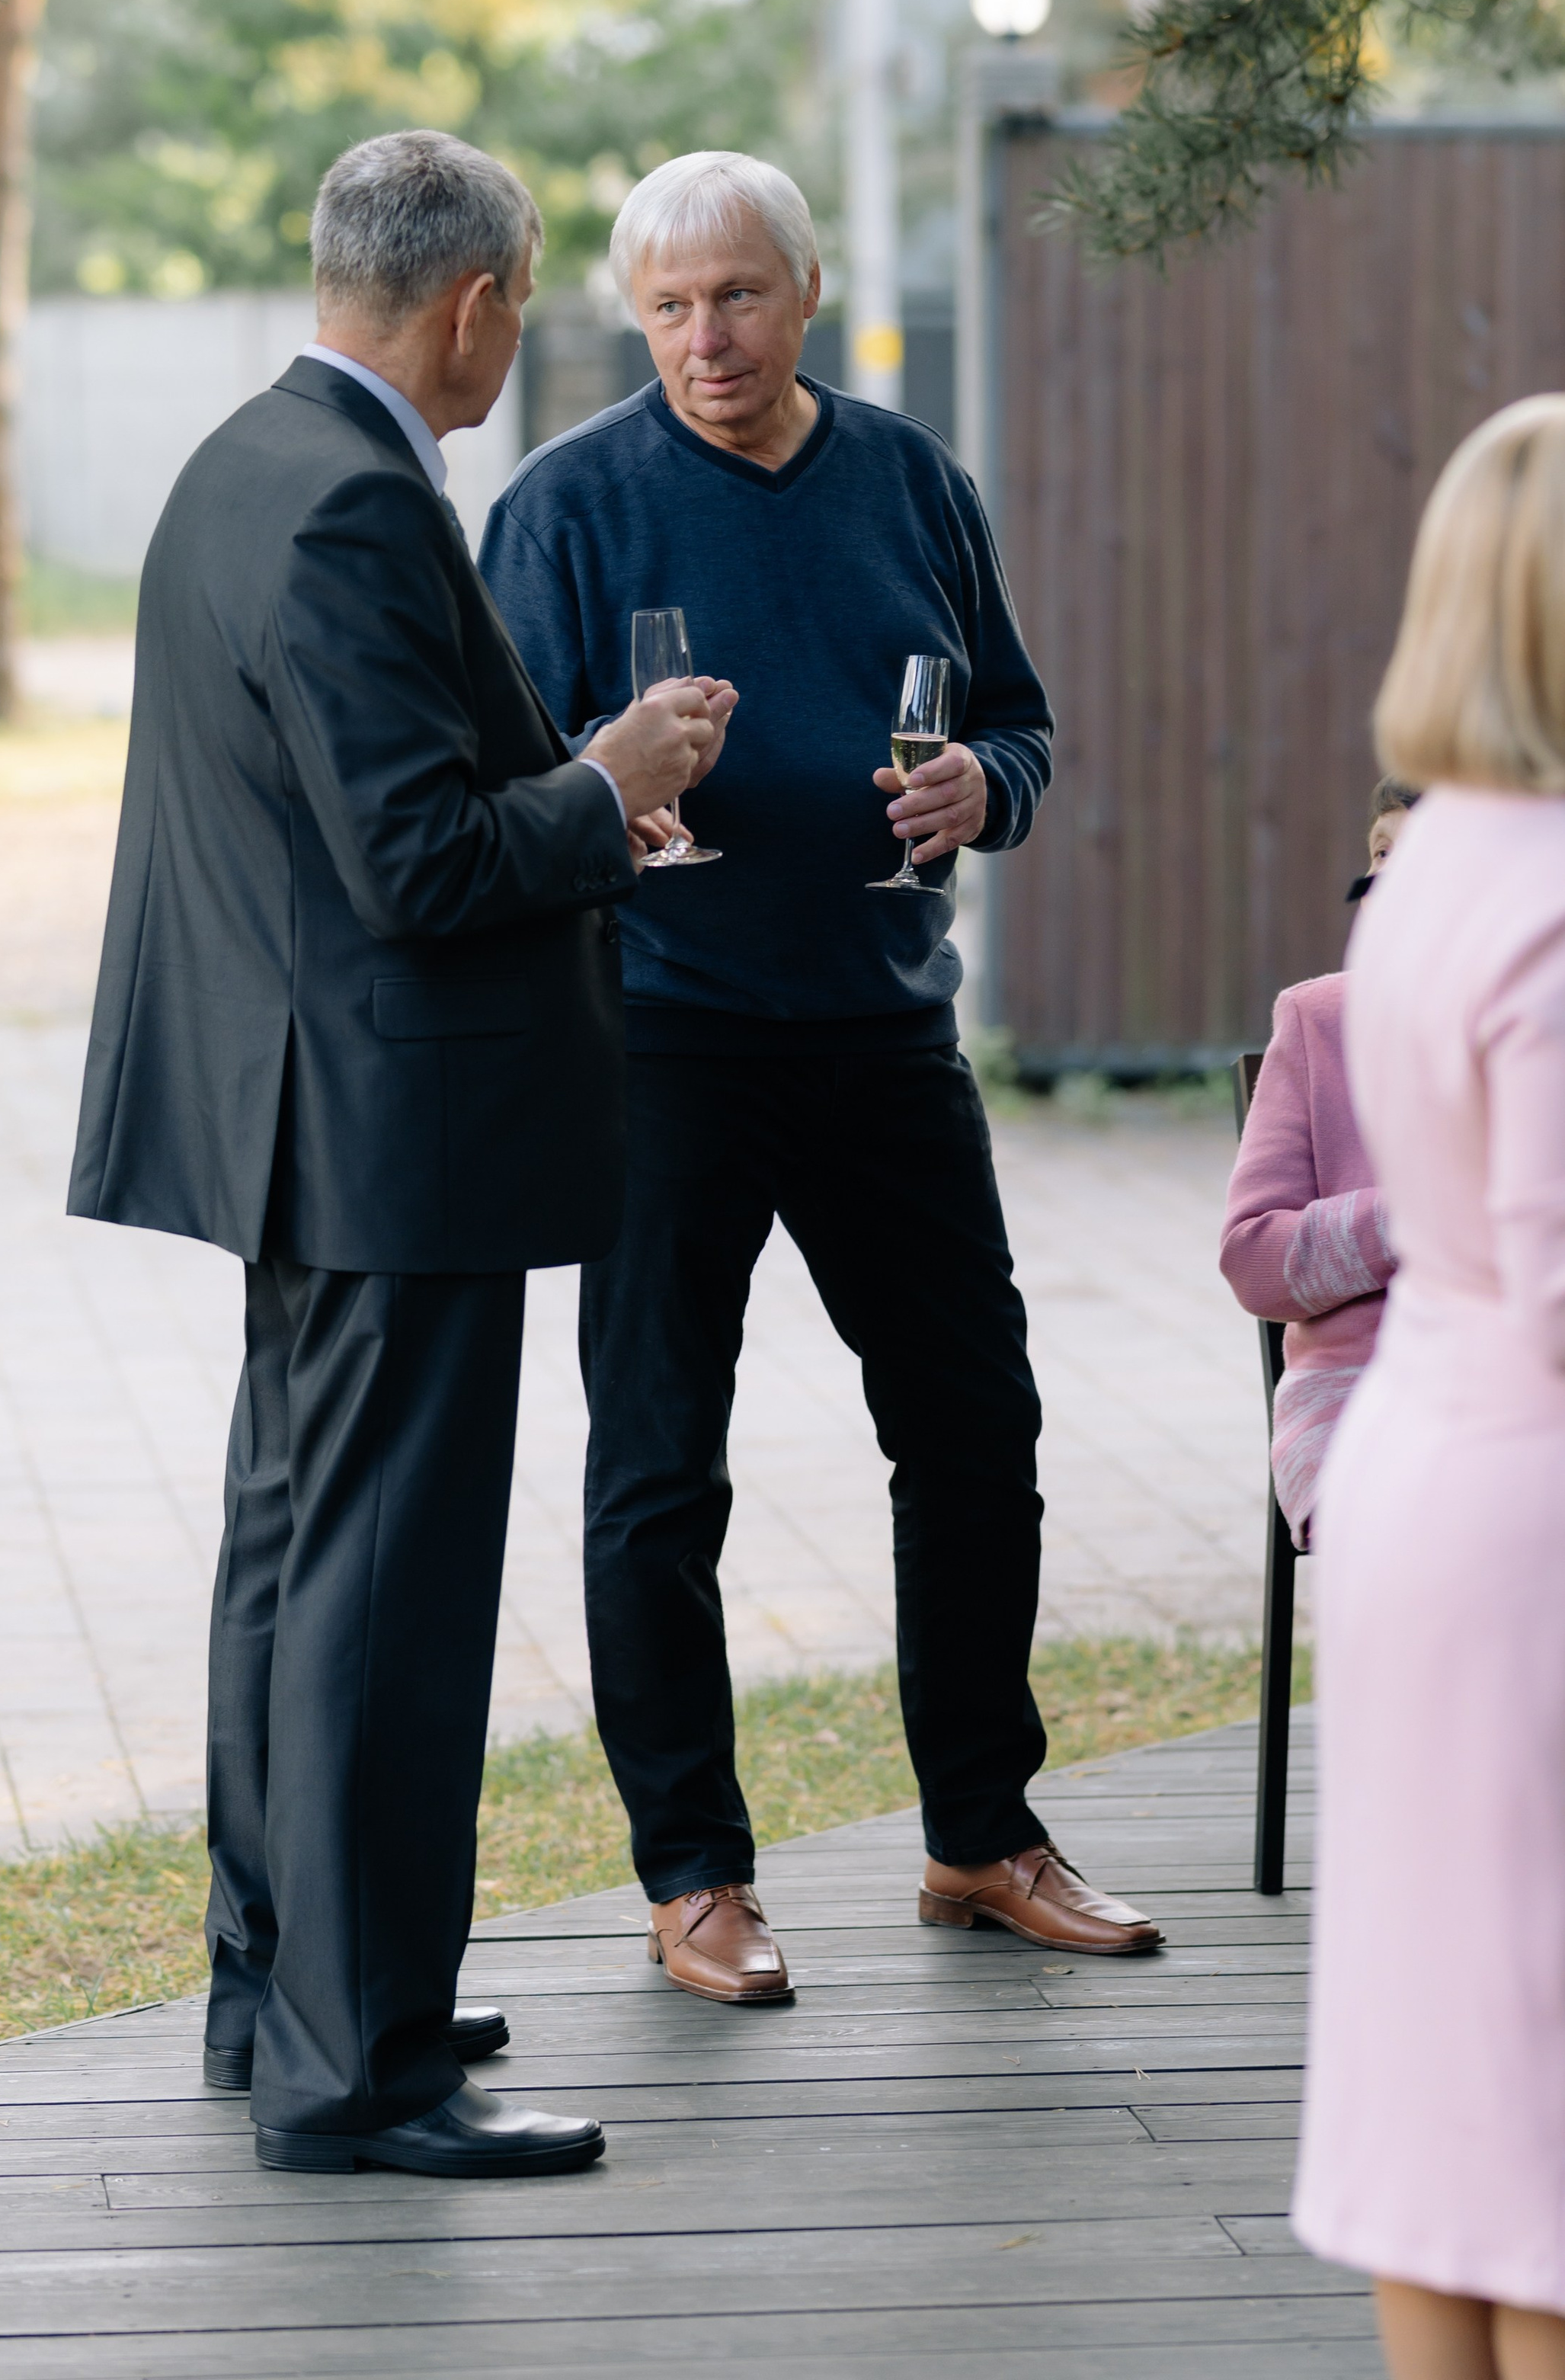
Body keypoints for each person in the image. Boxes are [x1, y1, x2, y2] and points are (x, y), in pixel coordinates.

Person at [68, 130, 728, 2178]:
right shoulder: (359, 498)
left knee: (294, 1567)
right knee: (385, 1601)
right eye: (525, 305)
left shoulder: (240, 458)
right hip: (395, 1136)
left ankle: (288, 1984)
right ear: (476, 302)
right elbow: (419, 858)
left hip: (304, 1122)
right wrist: (606, 782)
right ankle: (360, 2065)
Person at [479, 148, 1162, 2005]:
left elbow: (1014, 720)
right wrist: (606, 793)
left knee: (973, 1434)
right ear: (636, 315)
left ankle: (980, 1833)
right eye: (668, 305)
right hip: (663, 1045)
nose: (704, 336)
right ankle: (692, 1873)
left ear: (803, 290)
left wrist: (981, 789)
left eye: (736, 297)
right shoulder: (562, 506)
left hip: (883, 1031)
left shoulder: (910, 481)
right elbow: (501, 788)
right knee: (657, 1472)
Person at [1291, 395, 1565, 2379]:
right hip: (1531, 1506)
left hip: (1419, 1472)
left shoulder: (1443, 854)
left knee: (1435, 2051)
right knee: (1539, 2065)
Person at [1218, 780, 1417, 1548]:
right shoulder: (1320, 1021)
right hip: (1358, 1398)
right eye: (1379, 852)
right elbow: (1253, 1262)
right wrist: (1416, 1214)